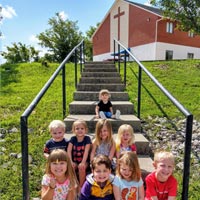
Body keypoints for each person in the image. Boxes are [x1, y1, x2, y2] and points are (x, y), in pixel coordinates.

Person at [67, 119, 92, 188]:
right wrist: (71, 161)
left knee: (82, 168)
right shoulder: (73, 139)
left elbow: (86, 151)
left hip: (85, 160)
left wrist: (83, 162)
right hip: (74, 160)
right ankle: (74, 185)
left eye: (82, 128)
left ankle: (81, 187)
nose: (80, 130)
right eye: (77, 128)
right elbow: (69, 150)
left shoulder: (87, 139)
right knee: (71, 167)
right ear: (73, 130)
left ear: (86, 130)